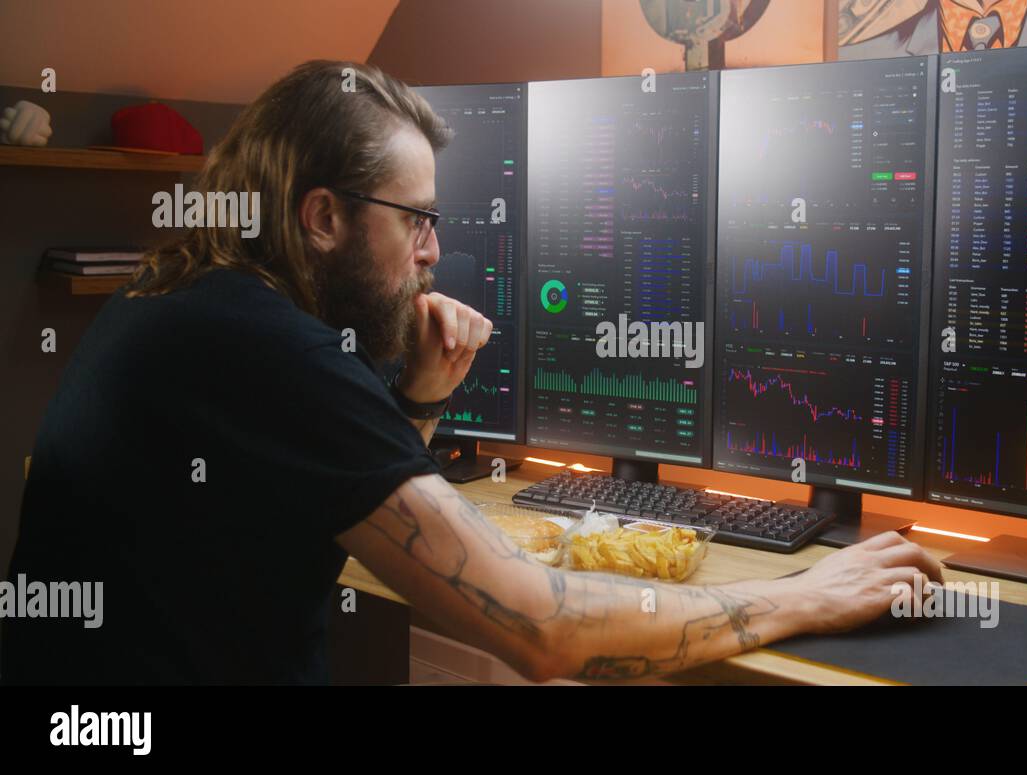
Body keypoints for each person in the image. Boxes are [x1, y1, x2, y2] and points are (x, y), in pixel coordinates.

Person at [1, 61, 942, 685]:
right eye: (414, 219)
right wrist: (808, 595)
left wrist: (419, 393)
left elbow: (351, 506)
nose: (432, 254)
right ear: (321, 216)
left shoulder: (186, 296)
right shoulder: (270, 349)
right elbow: (541, 629)